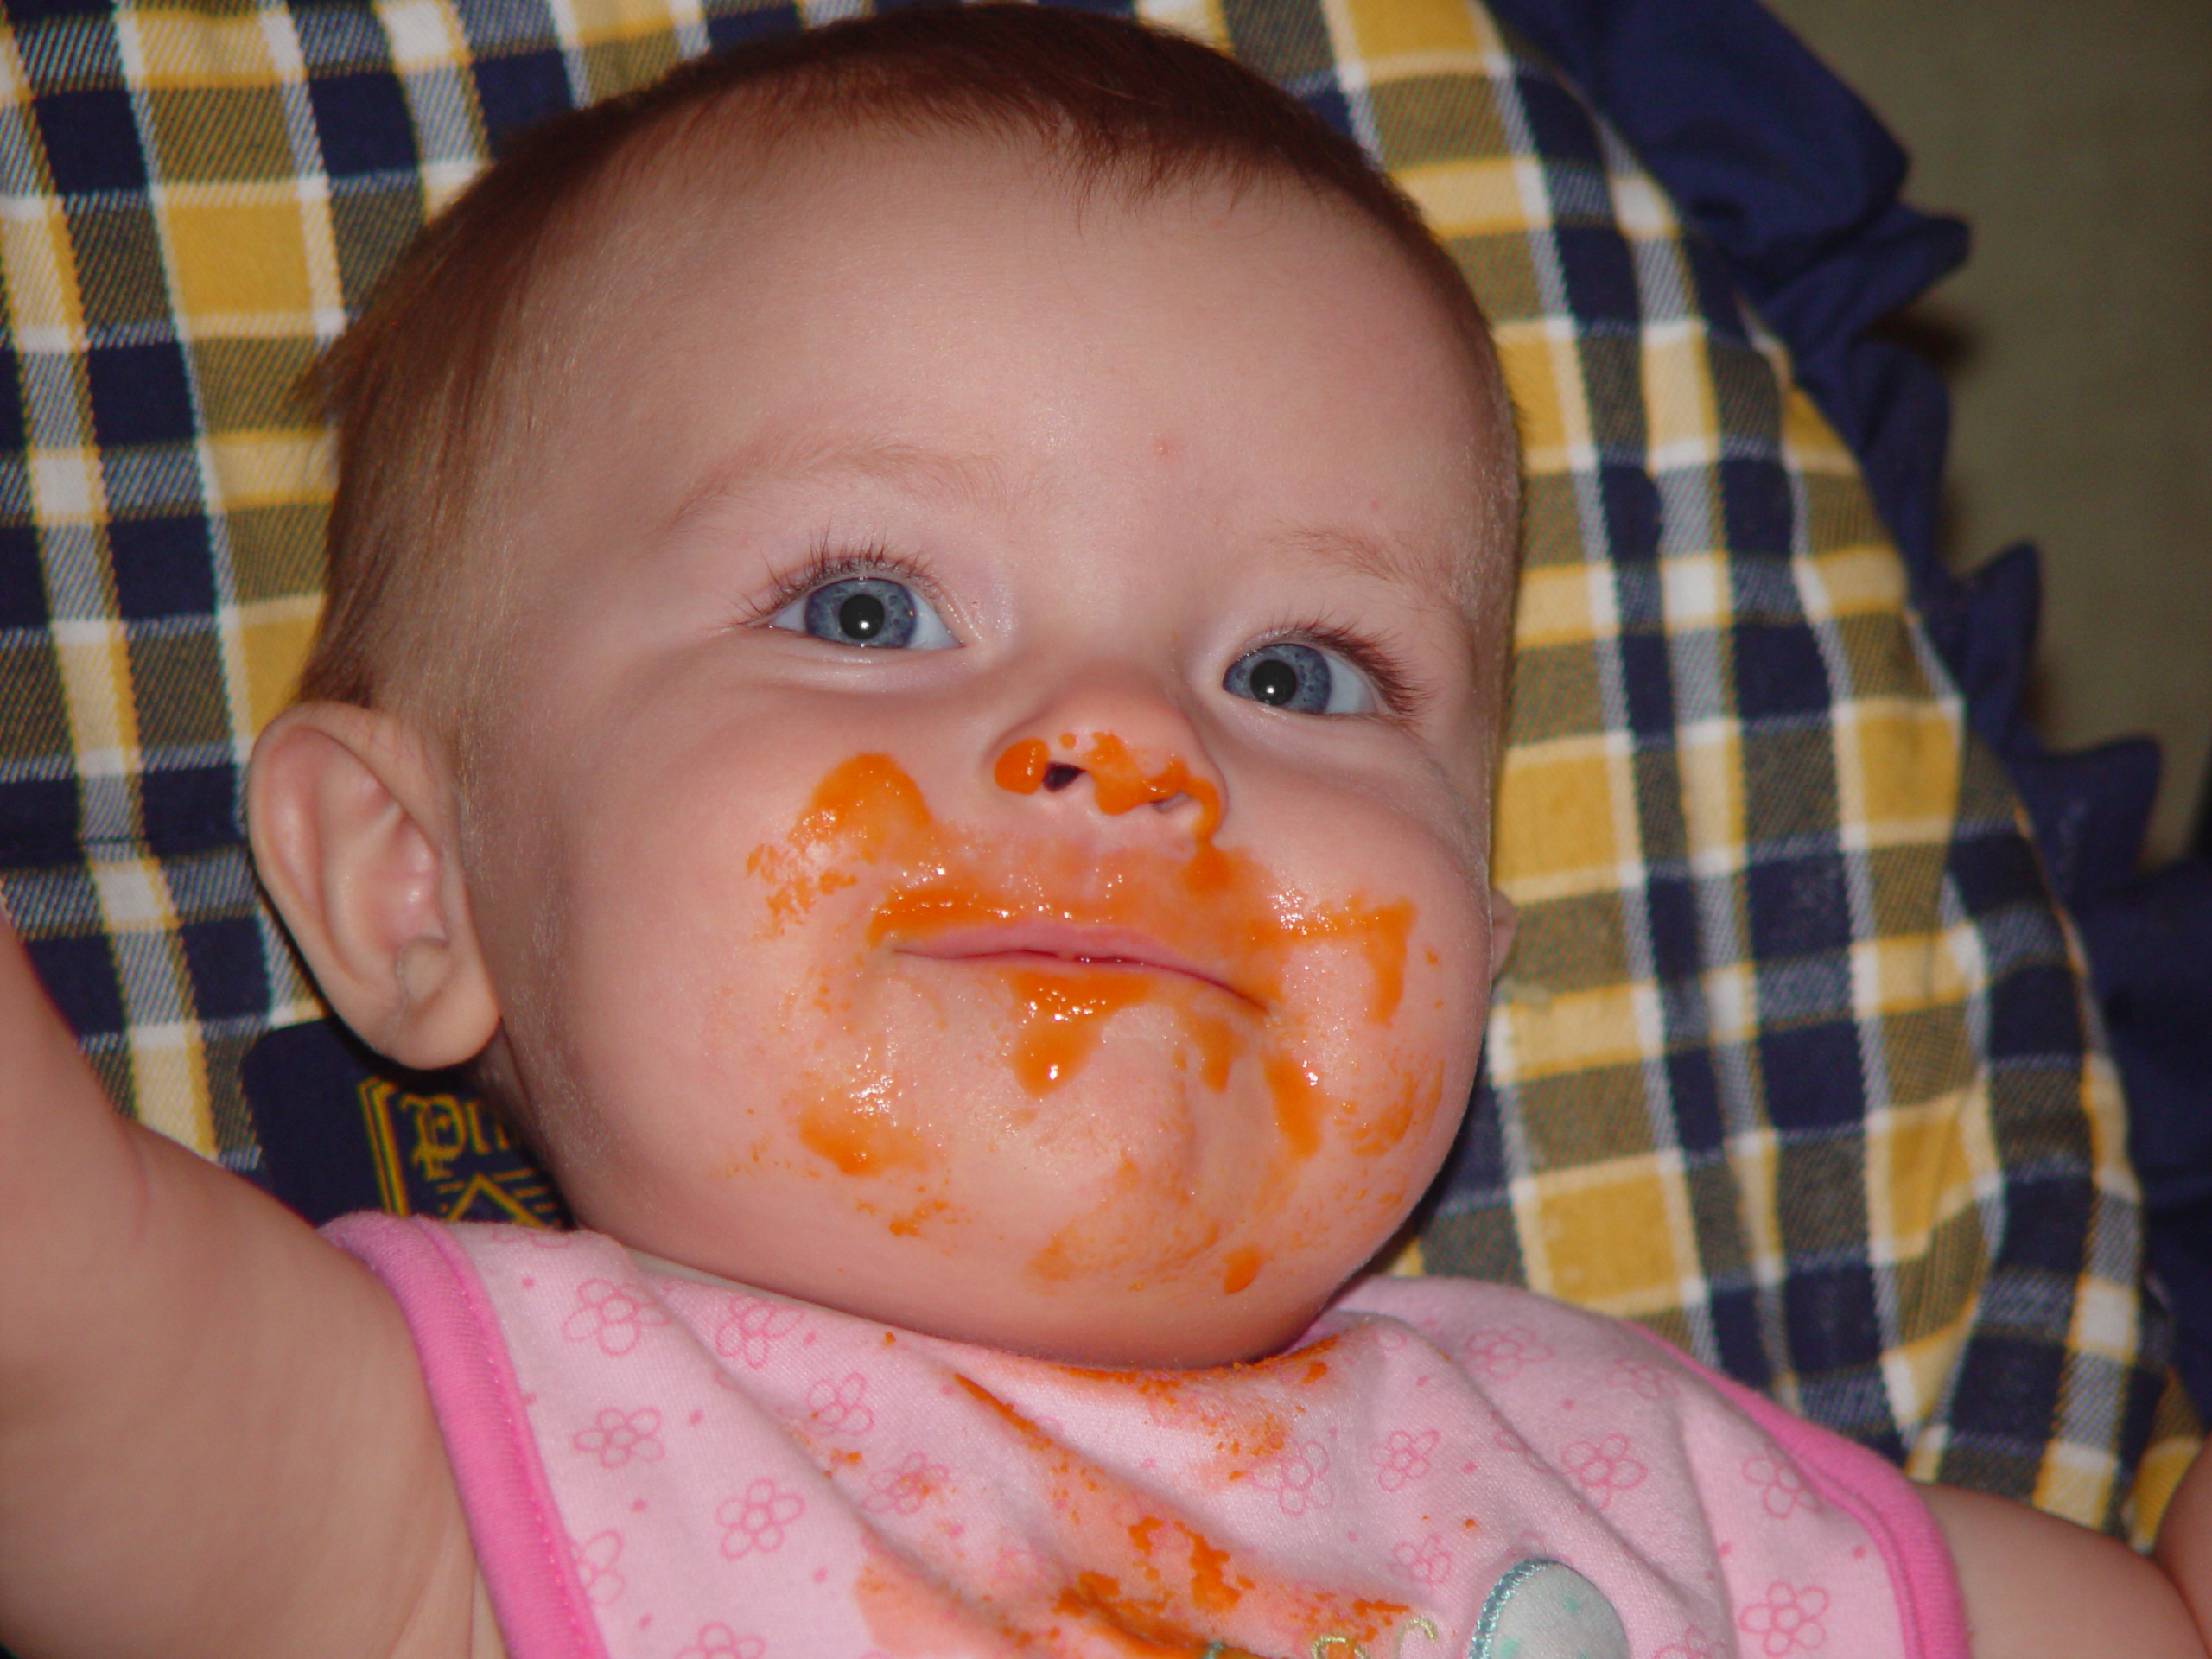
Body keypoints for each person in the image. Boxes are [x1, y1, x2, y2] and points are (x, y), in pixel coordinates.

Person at [2, 8, 2209, 1658]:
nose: (1122, 743)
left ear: (1476, 930)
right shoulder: (448, 1469)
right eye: (864, 609)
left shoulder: (1648, 1490)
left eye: (1298, 674)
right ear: (417, 883)